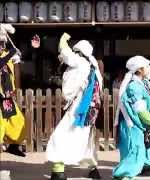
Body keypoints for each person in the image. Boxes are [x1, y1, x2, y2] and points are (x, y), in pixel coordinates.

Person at [46, 33, 103, 180]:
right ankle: (93, 169)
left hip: (80, 106)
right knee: (85, 137)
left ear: (79, 52)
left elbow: (65, 53)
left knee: (61, 134)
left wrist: (63, 40)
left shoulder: (80, 62)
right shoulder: (93, 65)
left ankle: (58, 170)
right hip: (92, 107)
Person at [112, 50, 150, 180]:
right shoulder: (134, 87)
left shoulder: (142, 81)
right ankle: (123, 176)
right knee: (134, 152)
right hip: (132, 124)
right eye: (146, 67)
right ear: (140, 70)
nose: (148, 68)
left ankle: (144, 168)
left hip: (140, 123)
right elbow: (141, 112)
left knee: (147, 146)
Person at [0, 24, 26, 157]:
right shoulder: (5, 56)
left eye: (2, 43)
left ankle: (14, 145)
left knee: (17, 120)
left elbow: (9, 63)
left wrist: (16, 57)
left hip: (5, 96)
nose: (1, 46)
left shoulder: (5, 54)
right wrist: (11, 53)